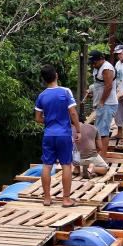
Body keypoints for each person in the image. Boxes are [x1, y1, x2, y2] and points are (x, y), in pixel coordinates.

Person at [35, 64, 81, 207]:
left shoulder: (41, 96)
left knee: (47, 165)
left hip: (49, 134)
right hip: (64, 134)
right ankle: (66, 199)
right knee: (66, 164)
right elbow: (73, 113)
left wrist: (49, 121)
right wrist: (78, 130)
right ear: (57, 75)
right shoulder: (65, 92)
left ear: (43, 79)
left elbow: (38, 118)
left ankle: (47, 198)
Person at [89, 50, 117, 159]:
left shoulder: (107, 68)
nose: (93, 64)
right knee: (98, 130)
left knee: (103, 131)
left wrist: (102, 101)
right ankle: (99, 153)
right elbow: (99, 84)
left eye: (94, 62)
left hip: (107, 104)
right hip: (101, 104)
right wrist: (93, 92)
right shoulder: (98, 68)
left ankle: (103, 156)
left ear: (101, 59)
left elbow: (108, 86)